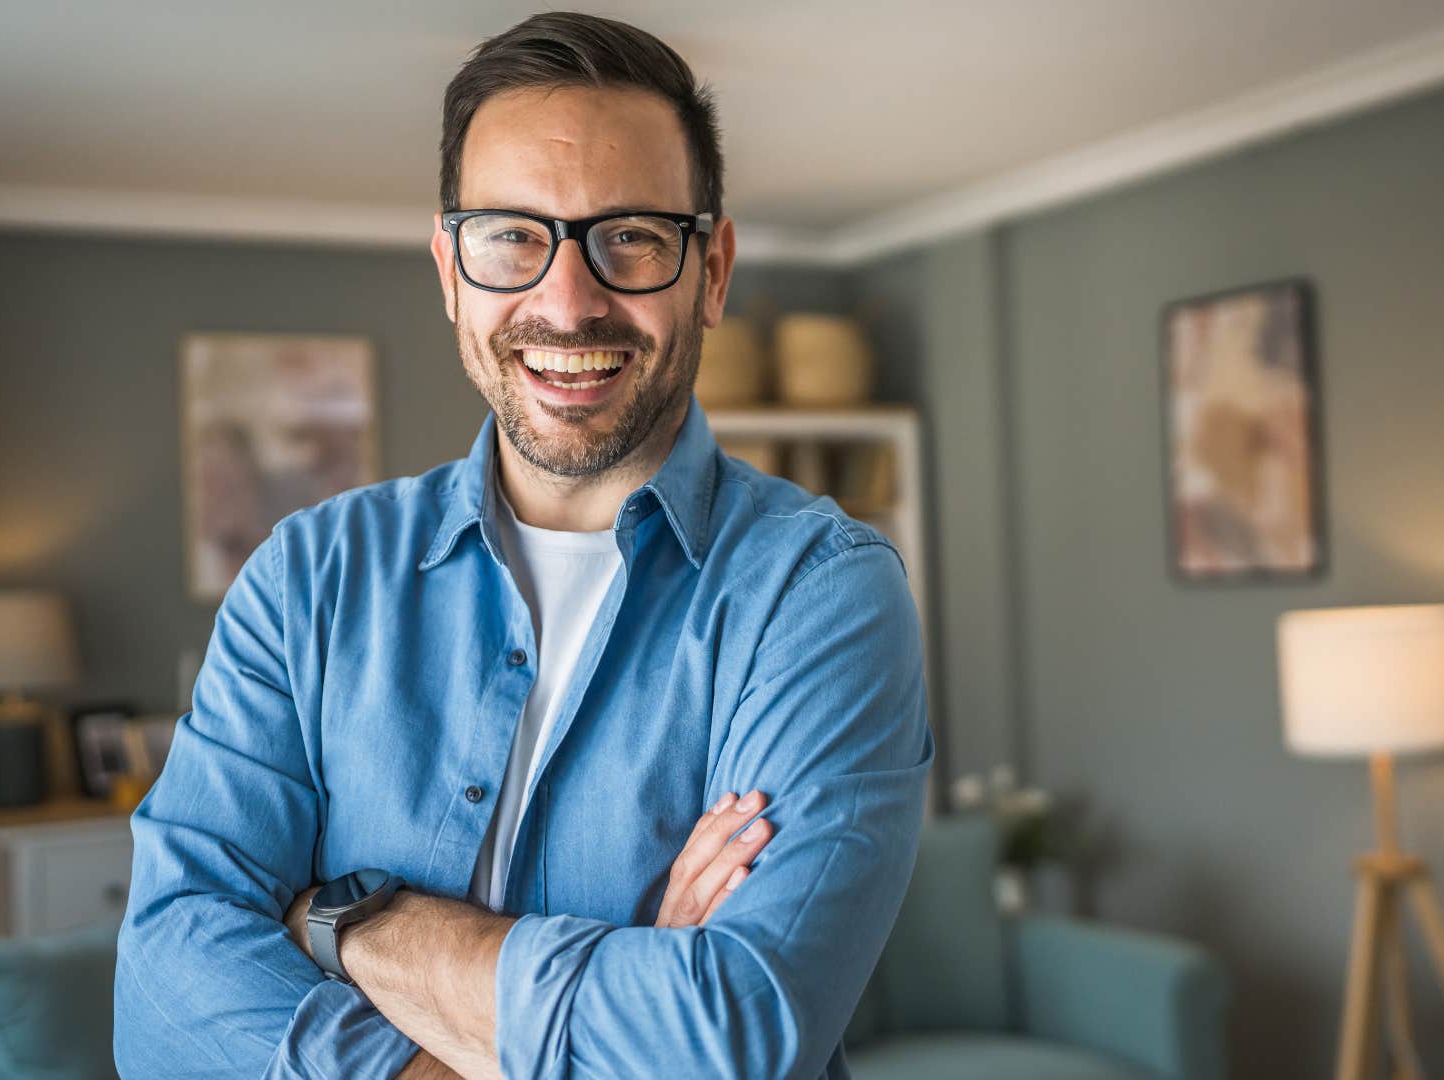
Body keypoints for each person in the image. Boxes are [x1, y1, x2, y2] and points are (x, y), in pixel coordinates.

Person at [113, 11, 932, 1078]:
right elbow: (163, 1002)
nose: (568, 302)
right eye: (511, 237)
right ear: (451, 270)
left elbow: (729, 1039)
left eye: (631, 236)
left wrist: (349, 926)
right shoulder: (308, 579)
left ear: (713, 270)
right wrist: (623, 998)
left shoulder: (819, 595)